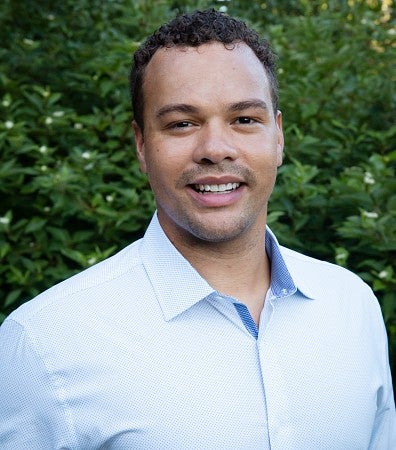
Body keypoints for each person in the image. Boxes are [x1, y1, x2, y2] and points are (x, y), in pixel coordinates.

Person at [0, 8, 394, 449]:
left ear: (278, 137)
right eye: (182, 123)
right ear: (141, 145)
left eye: (244, 119)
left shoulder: (352, 305)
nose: (215, 149)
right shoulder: (43, 345)